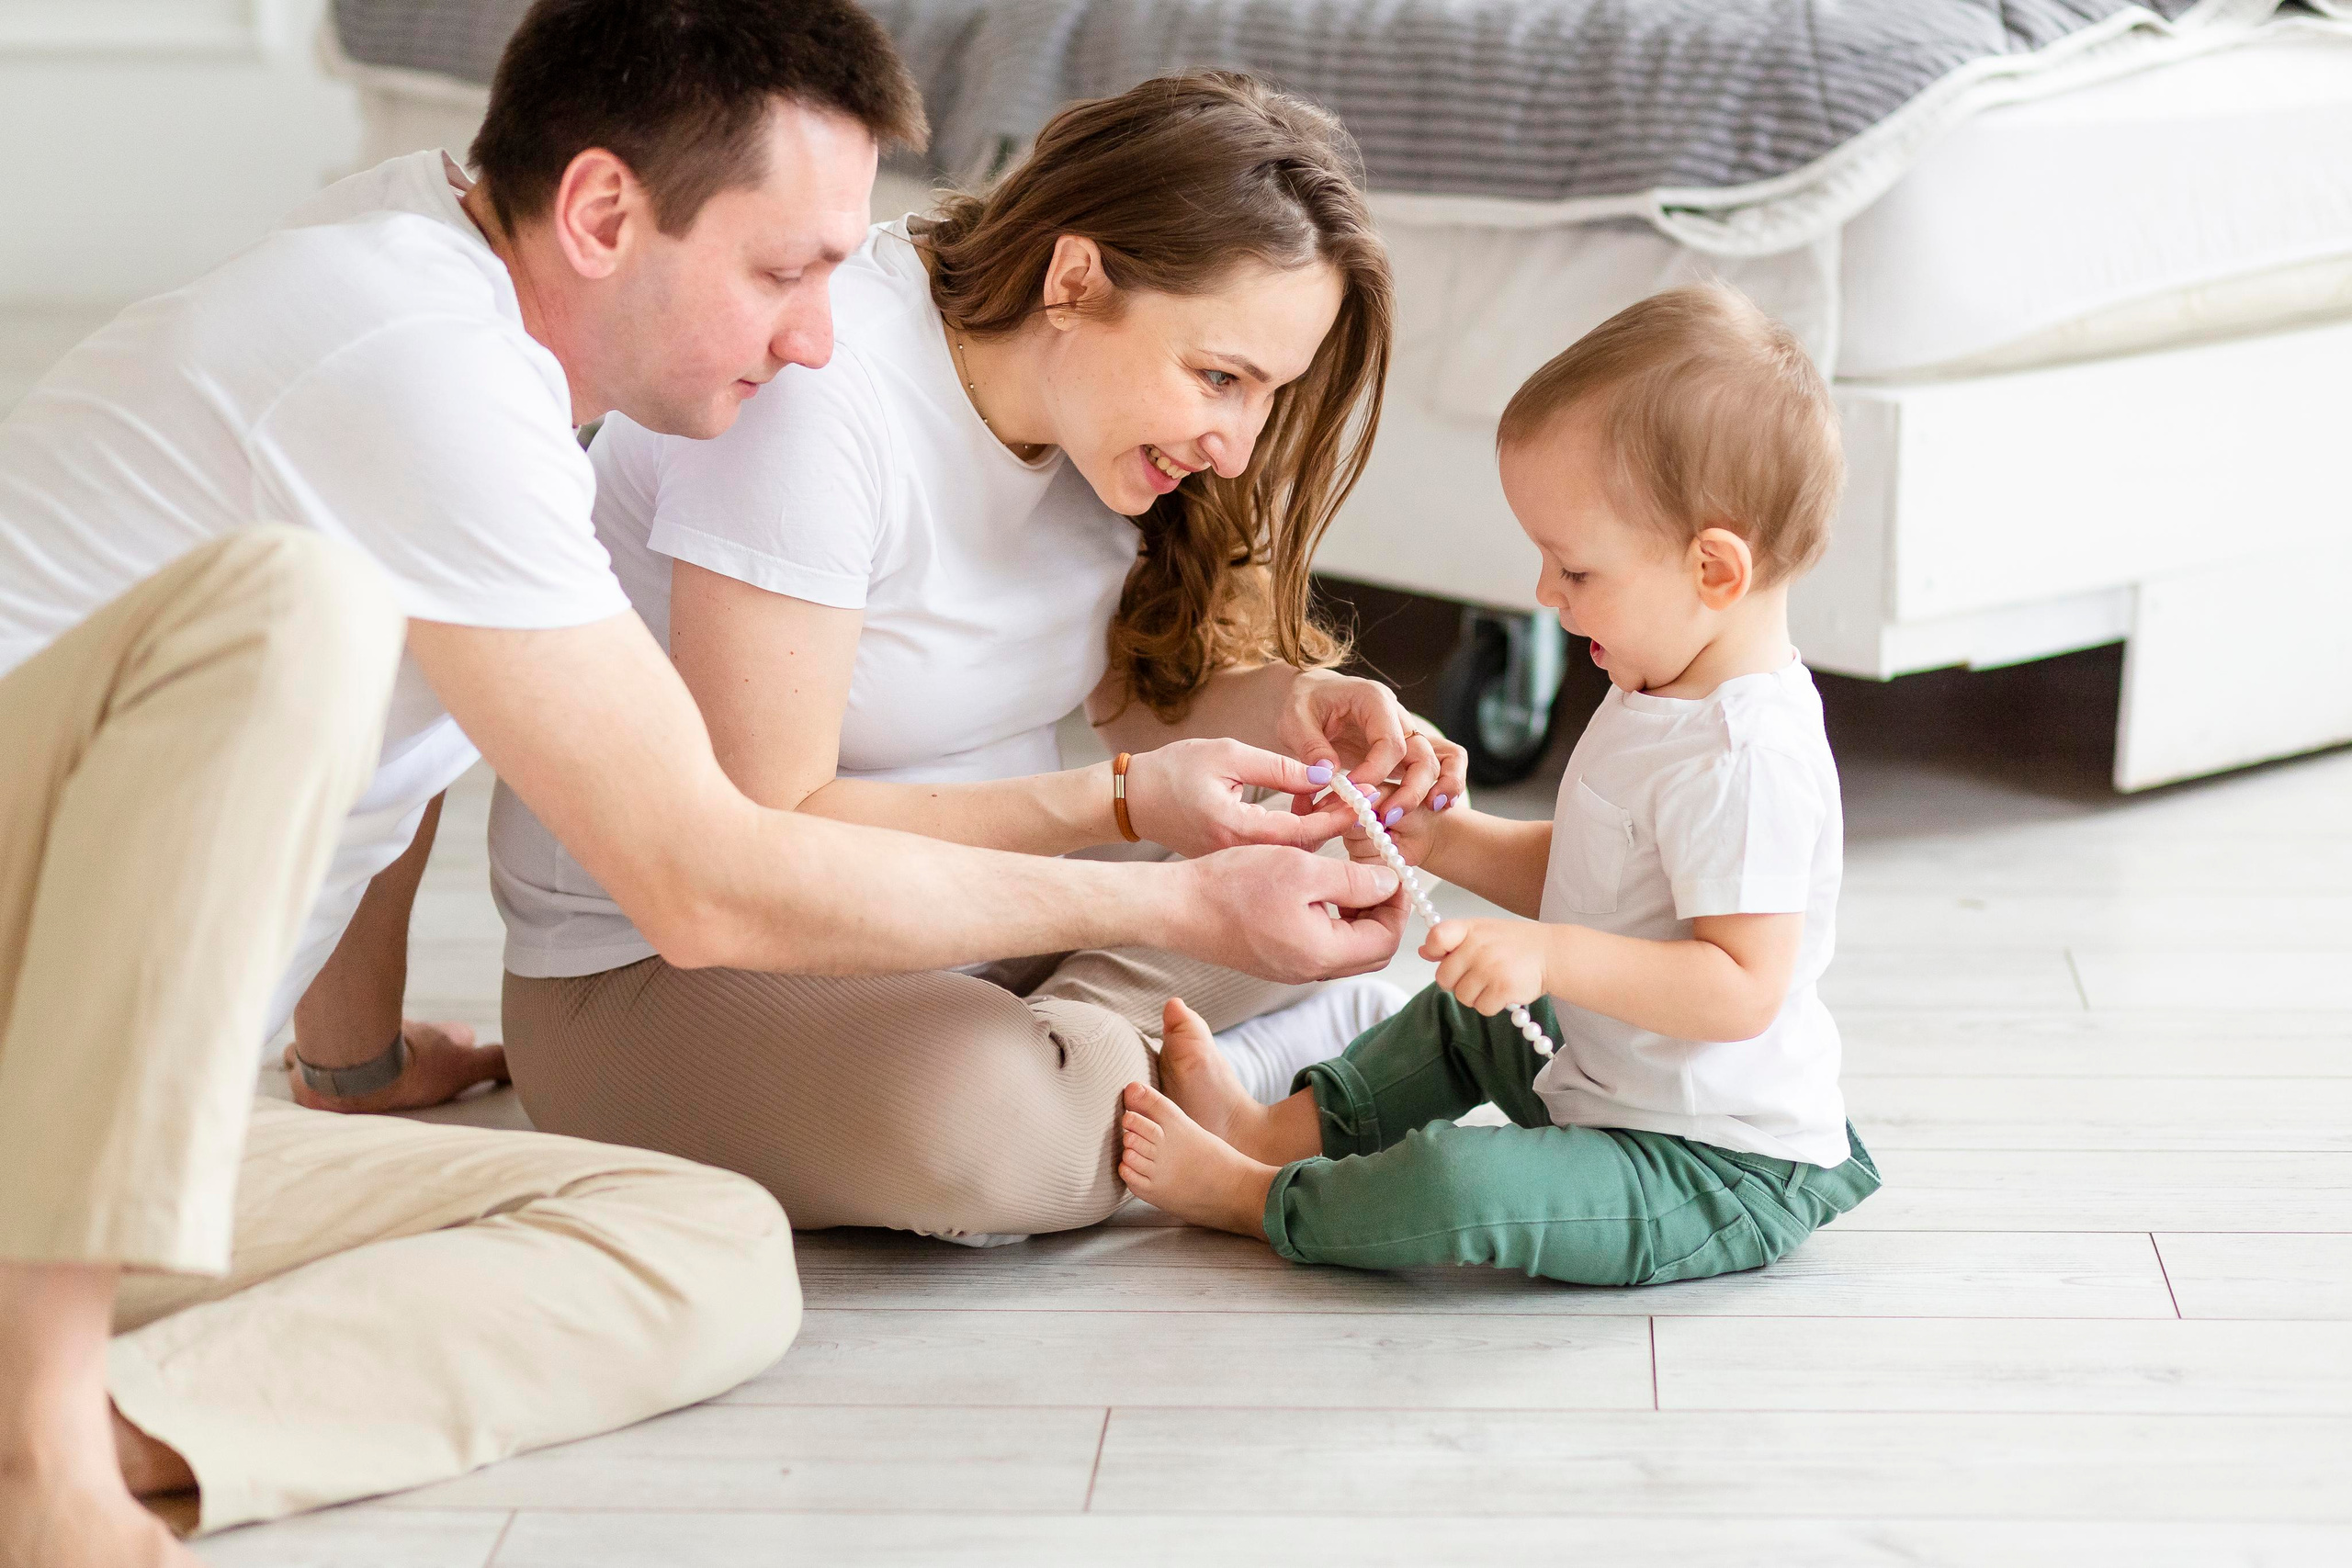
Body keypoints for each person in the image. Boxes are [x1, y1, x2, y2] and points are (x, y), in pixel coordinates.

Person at [0, 2, 1403, 1558]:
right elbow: (711, 869)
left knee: (708, 1250)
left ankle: (131, 1425)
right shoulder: (414, 362)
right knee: (294, 605)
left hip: (108, 1134)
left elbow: (394, 761)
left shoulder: (452, 308)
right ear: (604, 211)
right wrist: (1167, 867)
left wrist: (348, 1058)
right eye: (786, 269)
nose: (820, 331)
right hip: (49, 1083)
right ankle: (47, 1435)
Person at [494, 72, 1455, 1244]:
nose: (1239, 443)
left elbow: (1142, 704)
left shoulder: (1102, 434)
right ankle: (1252, 1070)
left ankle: (1127, 1052)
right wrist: (1138, 844)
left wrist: (1305, 708)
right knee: (996, 1140)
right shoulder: (817, 392)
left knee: (1339, 847)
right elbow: (765, 838)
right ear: (1074, 280)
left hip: (978, 934)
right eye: (1220, 376)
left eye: (1268, 394)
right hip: (674, 972)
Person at [1117, 284, 1883, 1284]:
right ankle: (1272, 1129)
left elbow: (1740, 987)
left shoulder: (1745, 758)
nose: (1544, 596)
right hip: (1607, 1077)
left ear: (1714, 570)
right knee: (1463, 1015)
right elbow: (1605, 879)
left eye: (1574, 570)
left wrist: (1550, 957)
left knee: (1455, 1188)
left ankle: (1251, 1197)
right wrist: (1451, 842)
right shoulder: (1662, 683)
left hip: (1708, 1160)